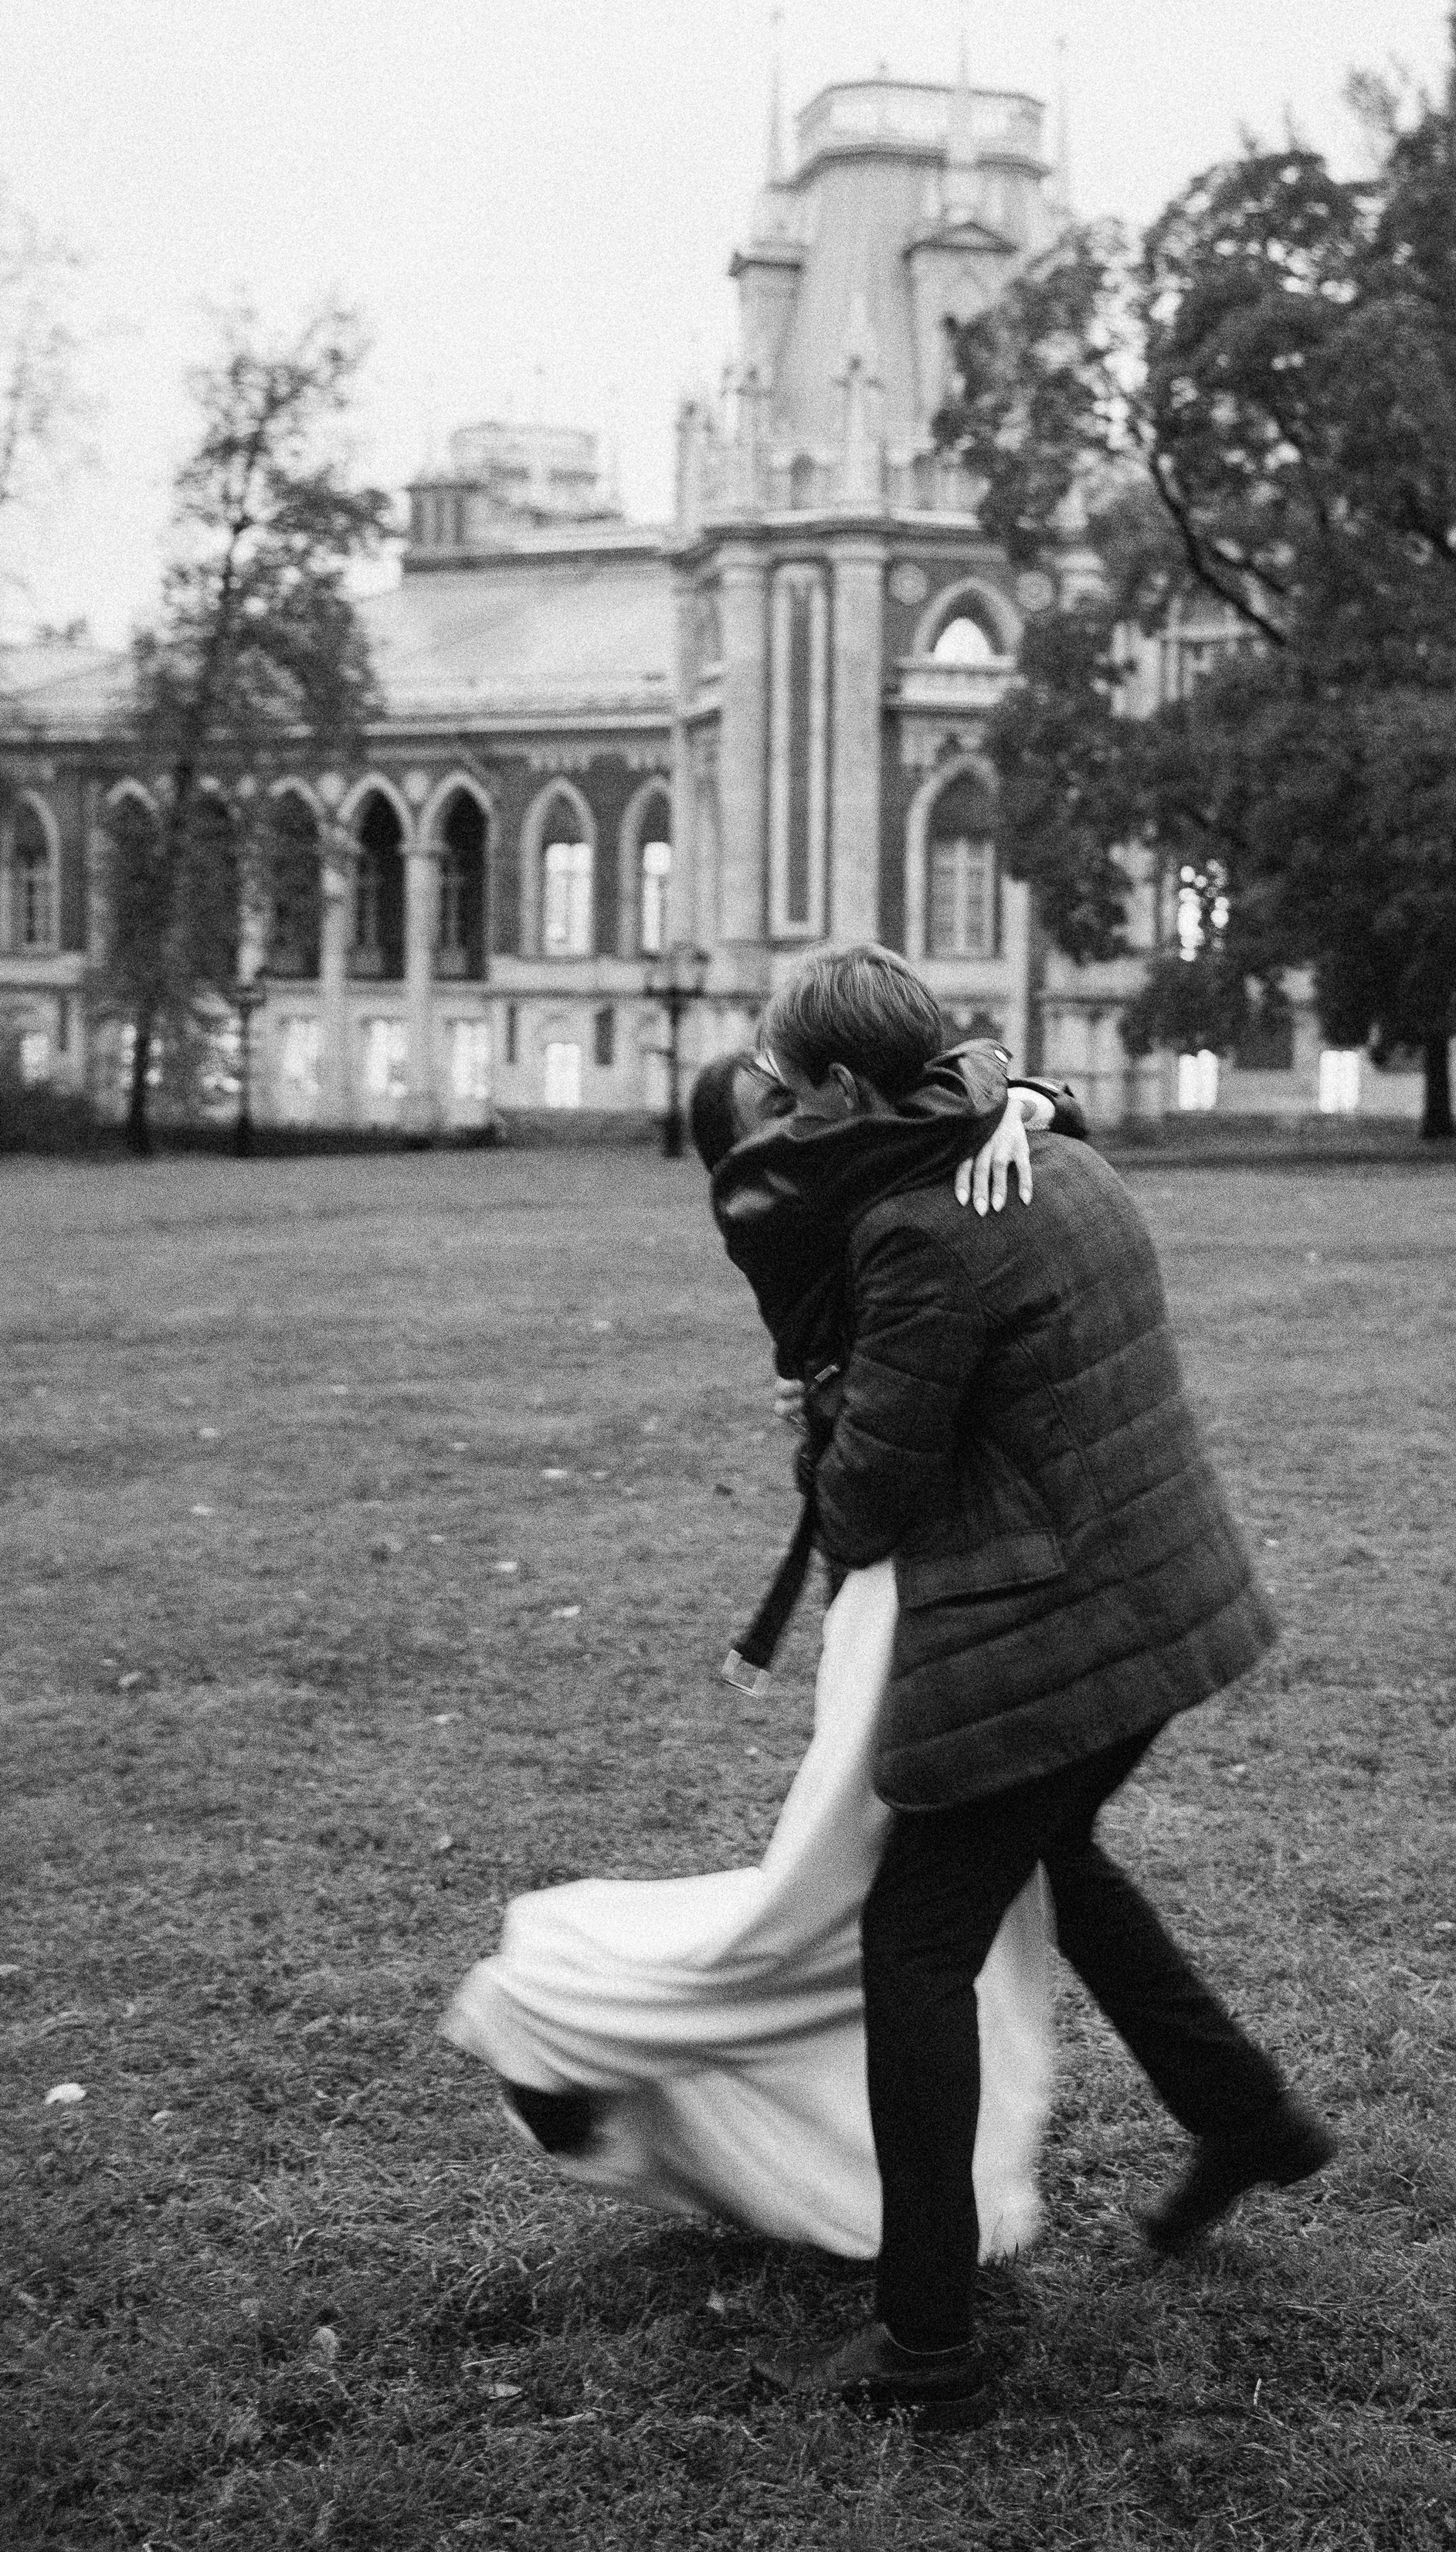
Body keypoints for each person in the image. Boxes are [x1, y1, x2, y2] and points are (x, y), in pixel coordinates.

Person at [747, 946, 1335, 2435]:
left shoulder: (928, 1229)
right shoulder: (1049, 1148)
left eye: (784, 1088)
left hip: (1066, 1627)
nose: (776, 1116)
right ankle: (1247, 2119)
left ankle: (927, 2340)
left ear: (836, 1084)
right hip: (1161, 1596)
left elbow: (869, 1503)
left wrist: (814, 1407)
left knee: (917, 1942)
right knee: (1053, 1858)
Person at [440, 1034, 1064, 2276]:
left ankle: (1218, 2116)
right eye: (777, 1105)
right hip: (906, 1577)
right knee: (861, 1909)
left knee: (961, 1882)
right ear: (754, 1152)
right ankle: (559, 2012)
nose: (811, 1110)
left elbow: (945, 1102)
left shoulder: (827, 1192)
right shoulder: (792, 1210)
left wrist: (1022, 1095)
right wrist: (1007, 1095)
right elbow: (936, 1113)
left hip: (931, 1577)